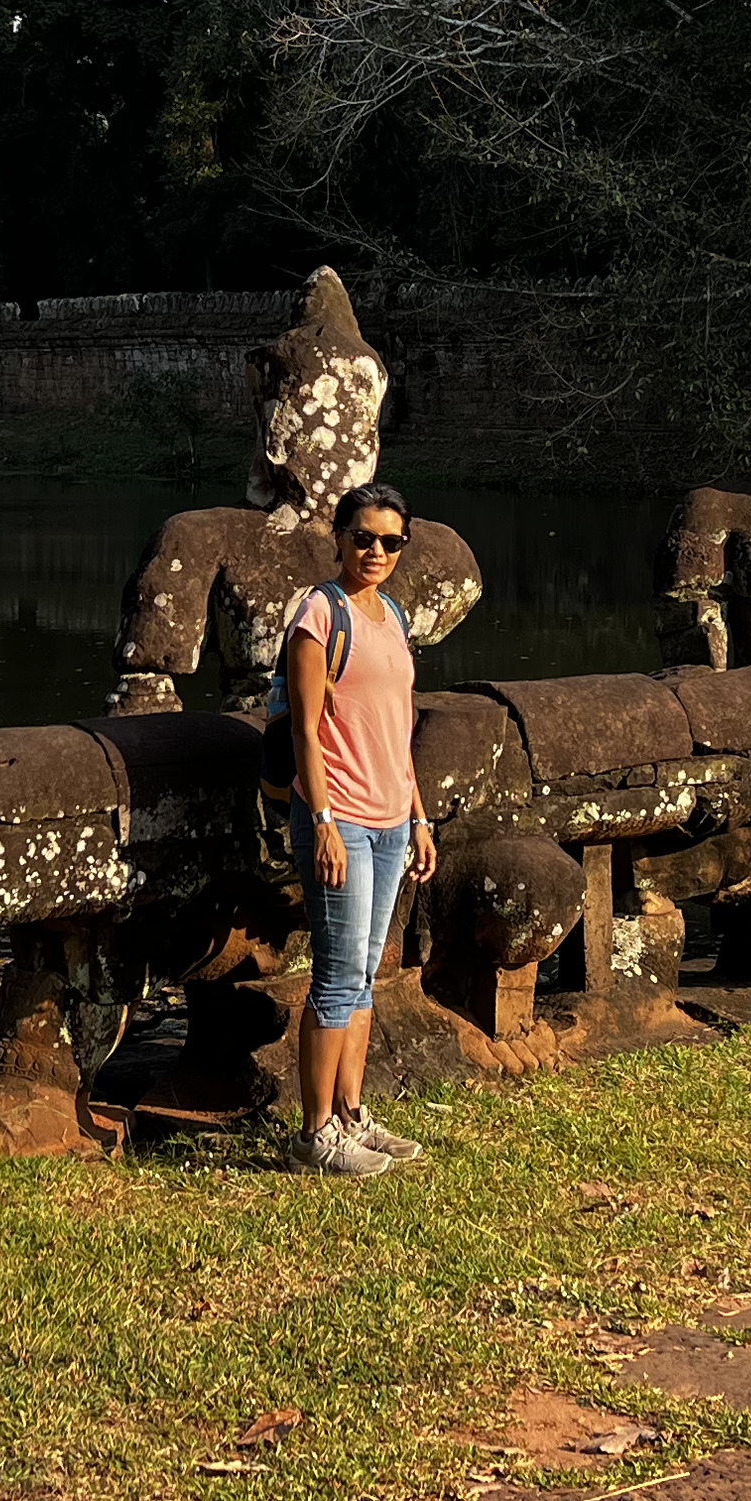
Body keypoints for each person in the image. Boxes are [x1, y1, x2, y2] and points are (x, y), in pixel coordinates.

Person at [279, 482, 437, 1179]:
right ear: (339, 537)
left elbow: (399, 730)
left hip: (390, 818)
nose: (376, 551)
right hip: (338, 814)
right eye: (364, 537)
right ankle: (314, 1132)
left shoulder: (392, 615)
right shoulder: (322, 614)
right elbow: (304, 732)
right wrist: (321, 823)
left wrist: (419, 814)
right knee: (338, 978)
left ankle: (349, 1113)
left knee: (367, 976)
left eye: (390, 541)